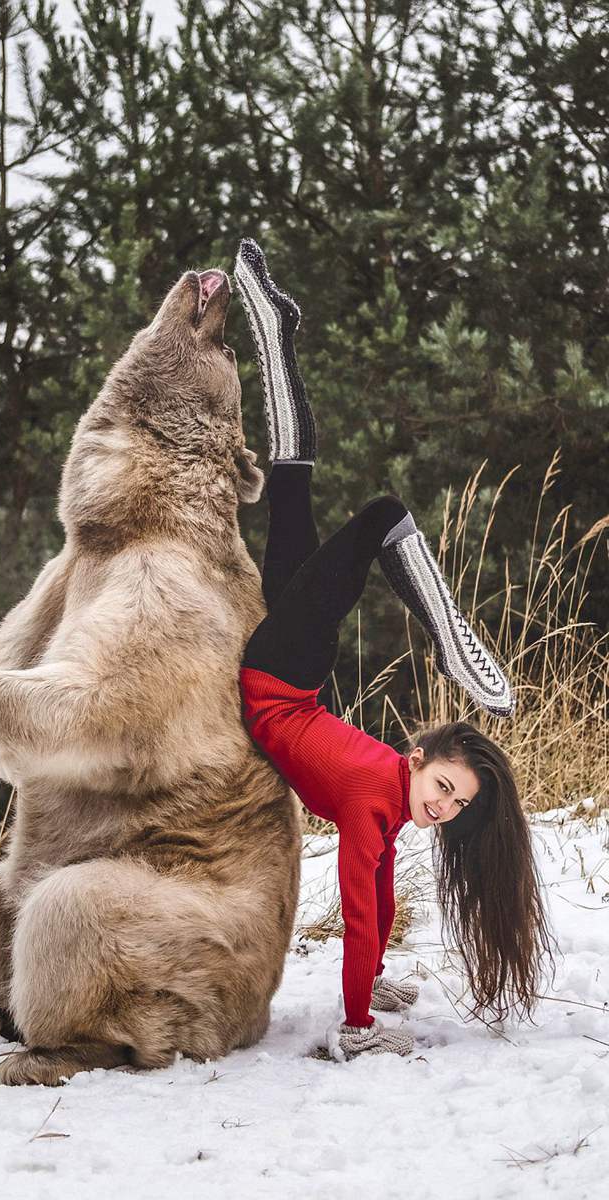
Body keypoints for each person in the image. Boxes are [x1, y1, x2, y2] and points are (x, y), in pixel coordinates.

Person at [233, 239, 553, 1061]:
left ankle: (272, 329)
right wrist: (357, 1027)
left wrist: (370, 978)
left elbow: (371, 893)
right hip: (284, 677)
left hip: (287, 684)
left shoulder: (384, 797)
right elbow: (360, 905)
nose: (443, 808)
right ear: (417, 758)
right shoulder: (381, 795)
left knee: (291, 476)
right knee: (379, 514)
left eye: (454, 806)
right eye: (445, 787)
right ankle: (453, 639)